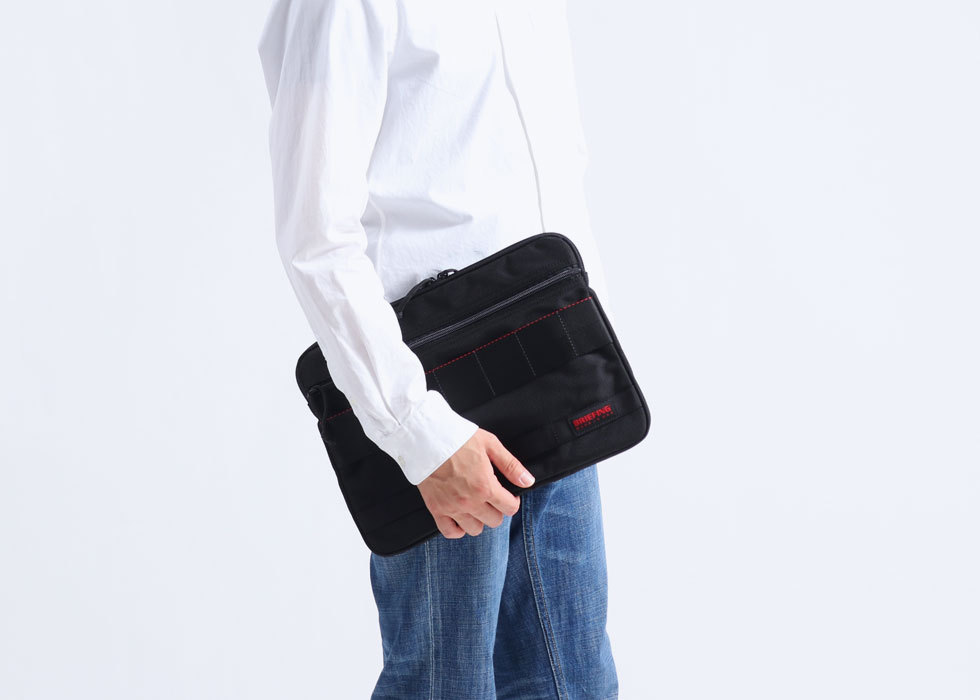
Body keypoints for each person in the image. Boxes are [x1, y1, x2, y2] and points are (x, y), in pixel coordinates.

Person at [258, 0, 619, 697]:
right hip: (435, 395)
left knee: (574, 680)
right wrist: (417, 430)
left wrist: (588, 354)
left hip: (556, 367)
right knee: (443, 683)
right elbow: (316, 235)